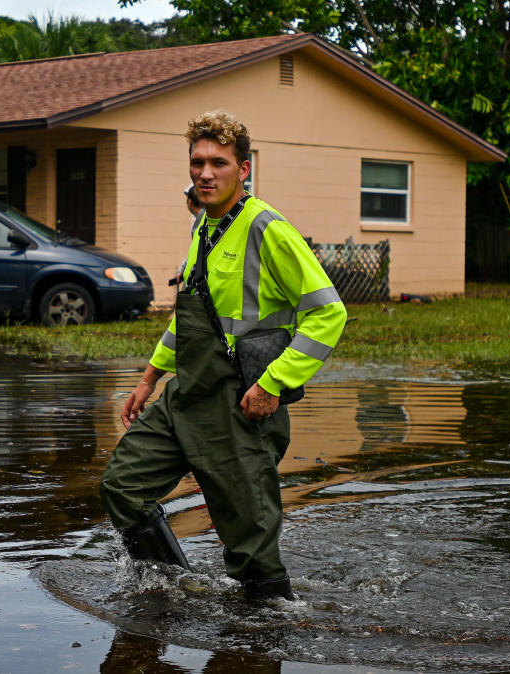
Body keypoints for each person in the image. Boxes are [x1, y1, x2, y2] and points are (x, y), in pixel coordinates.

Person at [99, 110, 347, 601]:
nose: (205, 173)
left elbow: (328, 313)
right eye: (197, 162)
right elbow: (191, 317)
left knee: (250, 549)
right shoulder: (204, 226)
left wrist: (272, 384)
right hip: (186, 396)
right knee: (123, 487)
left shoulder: (266, 228)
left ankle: (266, 632)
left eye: (219, 163)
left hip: (240, 406)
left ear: (244, 168)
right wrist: (149, 378)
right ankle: (173, 588)